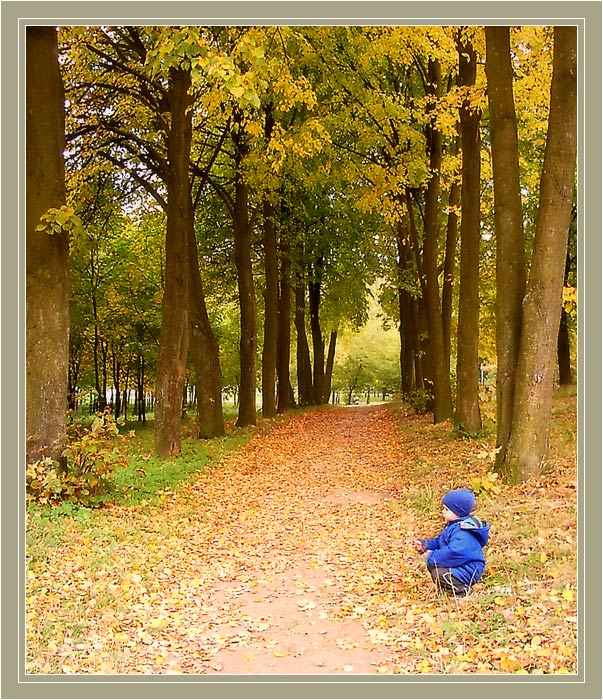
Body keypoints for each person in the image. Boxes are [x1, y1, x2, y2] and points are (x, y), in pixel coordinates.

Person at [412, 487, 490, 597]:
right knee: (434, 566)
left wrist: (431, 556)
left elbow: (454, 553)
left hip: (469, 569)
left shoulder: (463, 532)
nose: (443, 511)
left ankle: (463, 593)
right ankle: (448, 590)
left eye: (446, 509)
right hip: (462, 566)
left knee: (439, 572)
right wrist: (426, 545)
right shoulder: (454, 526)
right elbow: (441, 542)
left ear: (458, 512)